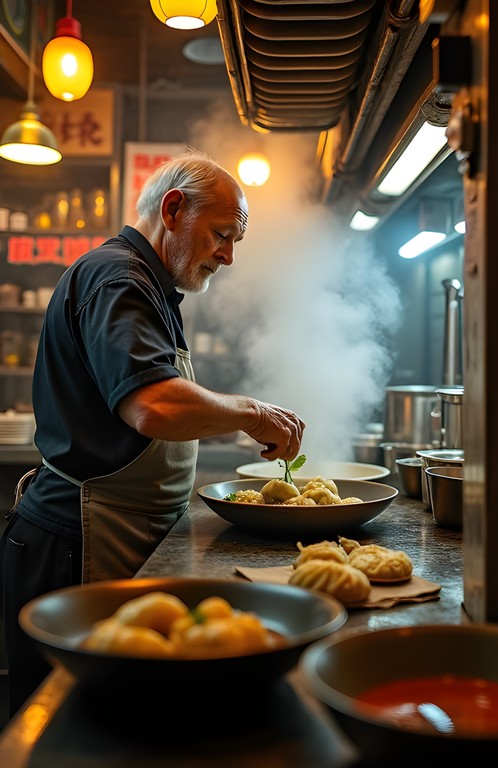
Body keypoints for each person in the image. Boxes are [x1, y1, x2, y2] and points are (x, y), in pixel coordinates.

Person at [1, 148, 305, 715]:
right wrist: (252, 413)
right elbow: (155, 407)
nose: (229, 256)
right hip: (78, 539)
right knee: (64, 725)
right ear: (172, 210)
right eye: (221, 234)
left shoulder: (149, 284)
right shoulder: (118, 279)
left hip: (110, 532)